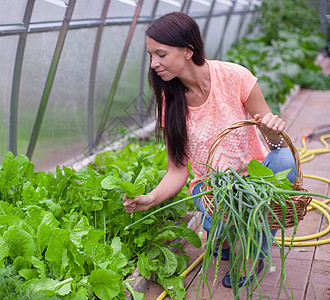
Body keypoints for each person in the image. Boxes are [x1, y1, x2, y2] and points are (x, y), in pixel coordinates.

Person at [122, 12, 296, 288]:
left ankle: (253, 252)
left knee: (284, 160)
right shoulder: (170, 101)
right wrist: (152, 198)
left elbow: (278, 145)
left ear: (188, 51)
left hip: (254, 178)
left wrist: (272, 131)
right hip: (212, 188)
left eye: (161, 54)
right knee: (224, 223)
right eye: (150, 55)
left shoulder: (234, 77)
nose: (153, 64)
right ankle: (224, 237)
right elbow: (177, 170)